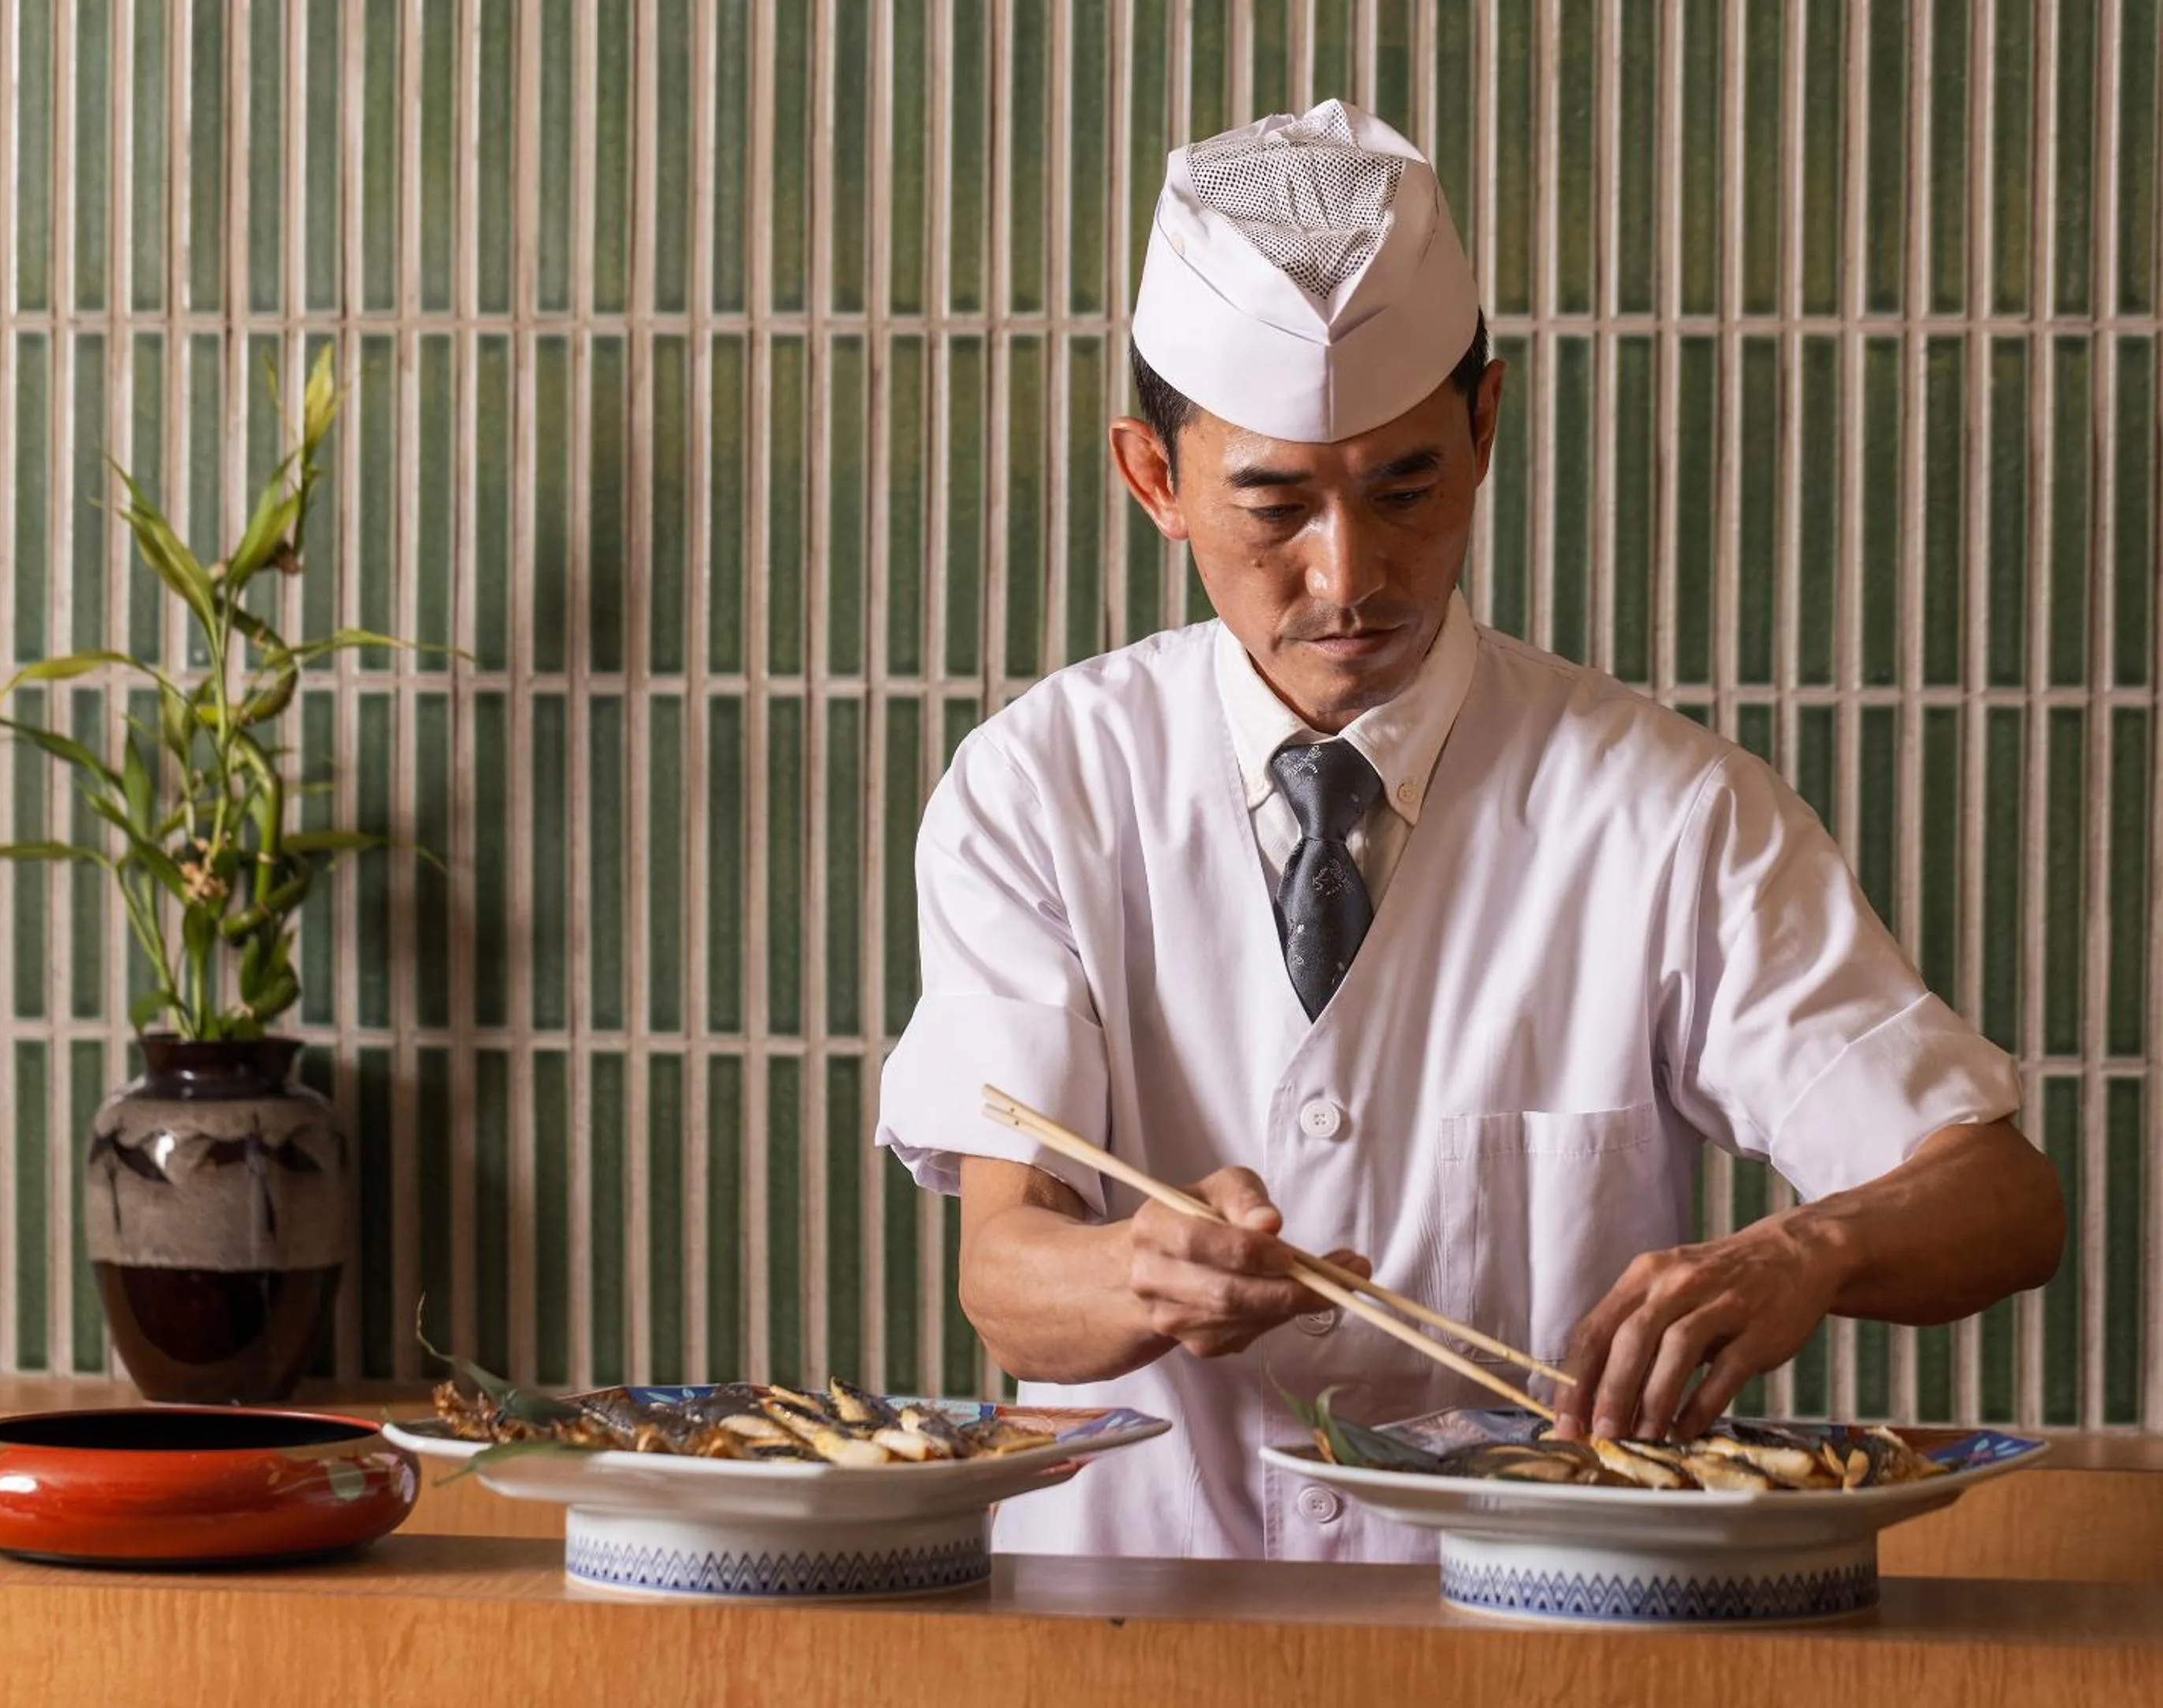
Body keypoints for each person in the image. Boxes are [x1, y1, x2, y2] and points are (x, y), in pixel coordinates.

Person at [874, 100, 2063, 1562]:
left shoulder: (1669, 809)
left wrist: (1803, 1249)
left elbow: (2004, 1201)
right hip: (1131, 1618)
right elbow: (1005, 1276)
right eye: (1272, 504)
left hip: (1548, 1627)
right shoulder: (1039, 783)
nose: (1350, 573)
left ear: (1484, 427)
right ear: (1153, 480)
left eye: (1406, 487)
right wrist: (1137, 1272)